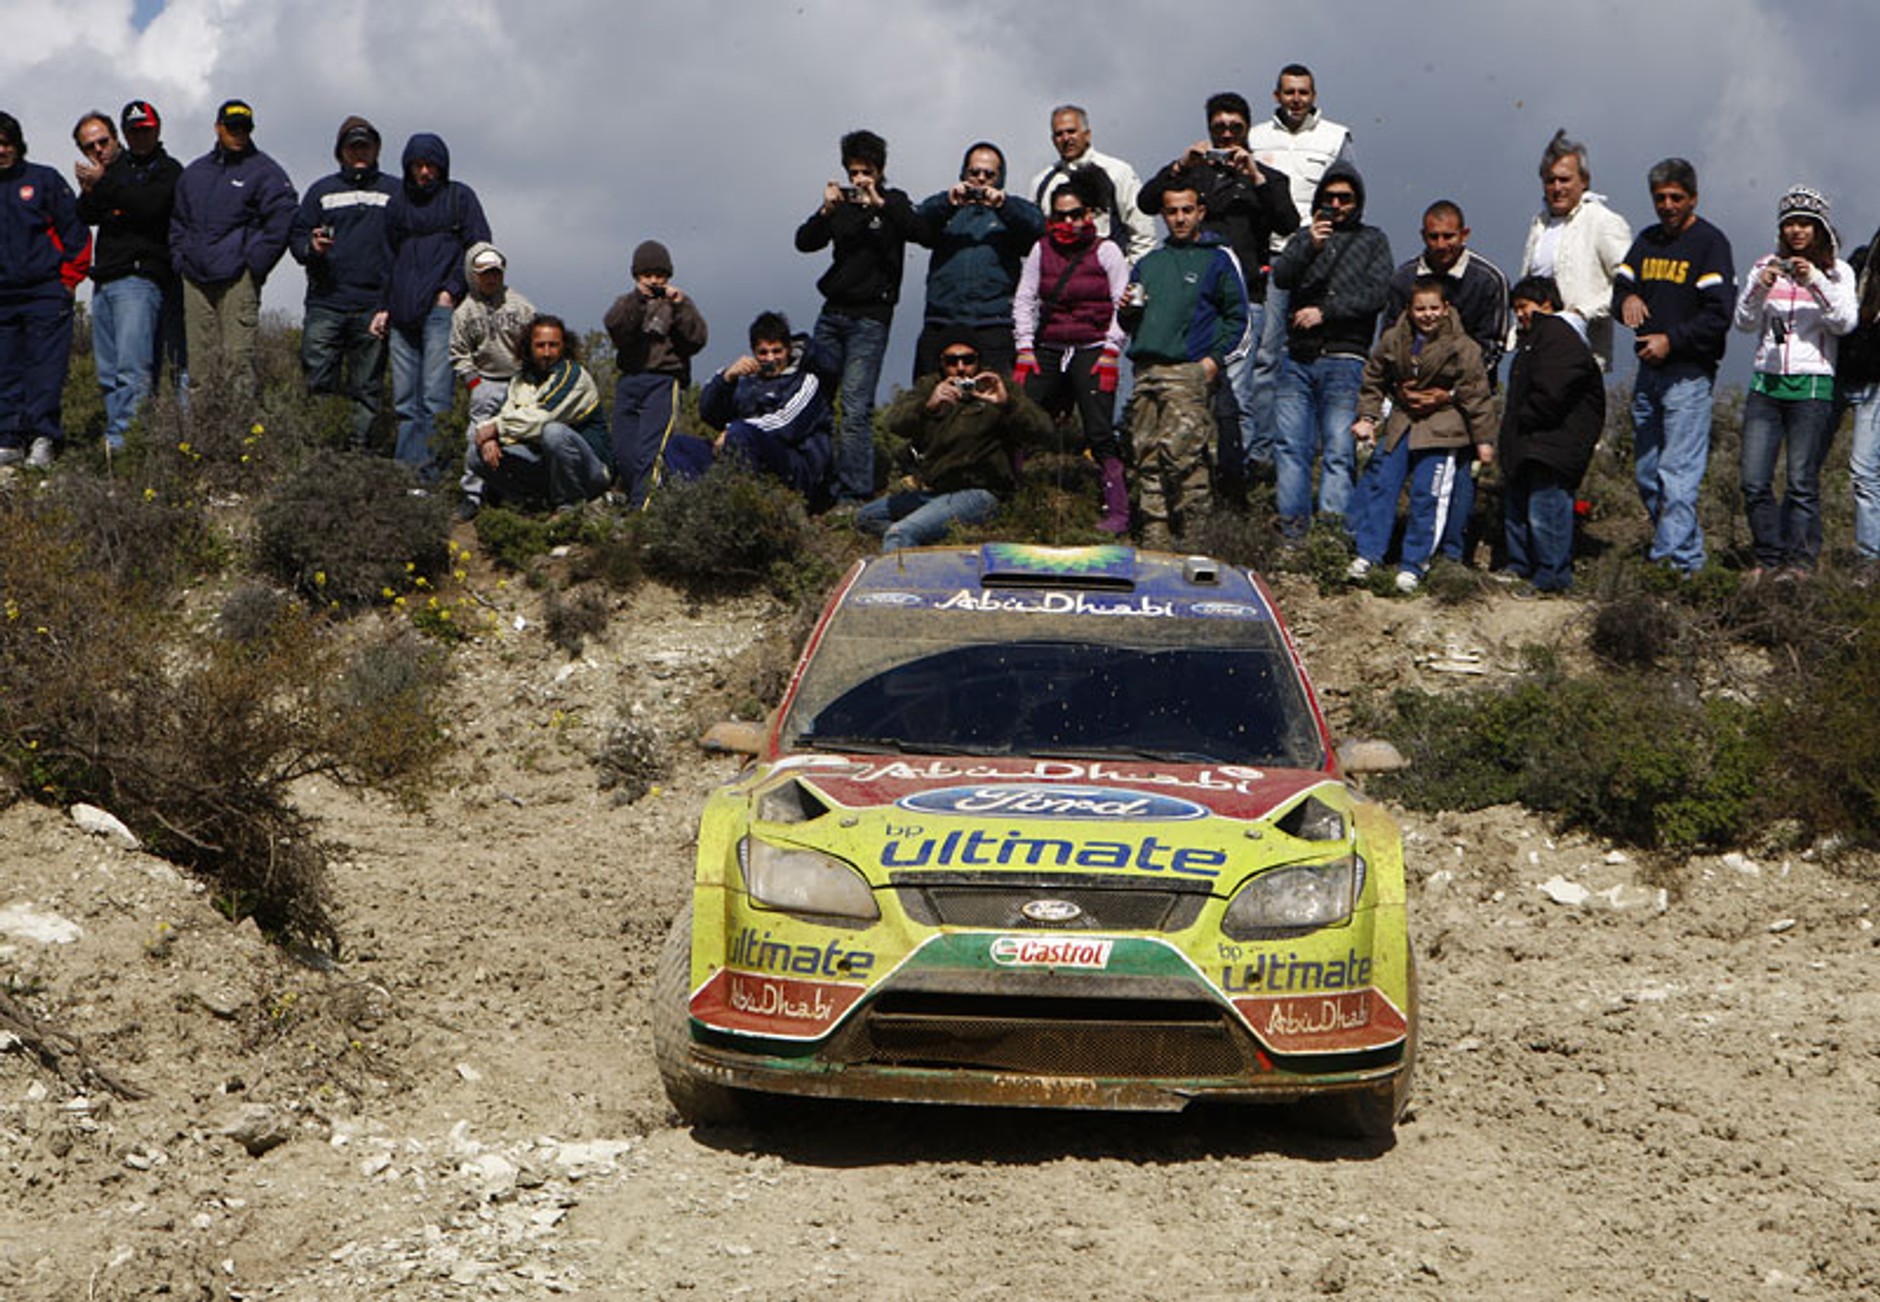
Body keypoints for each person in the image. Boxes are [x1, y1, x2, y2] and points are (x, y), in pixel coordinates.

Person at [1139, 91, 1299, 486]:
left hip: (1244, 297)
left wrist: (1256, 177)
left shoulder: (1266, 177)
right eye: (1219, 127)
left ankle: (1235, 483)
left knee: (1236, 397)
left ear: (1247, 129)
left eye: (1235, 127)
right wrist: (1181, 164)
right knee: (1183, 393)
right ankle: (1184, 477)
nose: (1226, 134)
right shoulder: (1192, 176)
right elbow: (1146, 202)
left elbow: (1288, 222)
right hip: (1190, 299)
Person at [1611, 159, 1736, 578]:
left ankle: (1667, 570)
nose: (1667, 205)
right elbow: (1622, 288)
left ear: (1692, 198)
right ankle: (1691, 561)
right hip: (1648, 374)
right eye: (1660, 198)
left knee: (1677, 473)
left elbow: (1719, 314)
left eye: (1675, 198)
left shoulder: (1709, 244)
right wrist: (1625, 299)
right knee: (1648, 473)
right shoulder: (1647, 242)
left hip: (1688, 375)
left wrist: (1672, 340)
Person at [1732, 186, 1858, 579]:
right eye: (1790, 224)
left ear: (1819, 228)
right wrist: (1761, 285)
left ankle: (1800, 563)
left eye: (1805, 223)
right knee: (1753, 479)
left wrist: (1815, 280)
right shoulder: (1764, 265)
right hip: (1766, 384)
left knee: (1801, 480)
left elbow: (1844, 322)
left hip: (1813, 386)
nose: (1797, 231)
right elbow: (1744, 321)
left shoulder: (1838, 271)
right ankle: (1768, 557)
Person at [794, 130, 921, 510]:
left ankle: (854, 495)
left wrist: (879, 203)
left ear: (880, 171)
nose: (859, 180)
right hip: (832, 313)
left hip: (871, 317)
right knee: (814, 400)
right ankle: (815, 486)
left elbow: (920, 232)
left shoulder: (894, 203)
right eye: (853, 173)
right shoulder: (843, 207)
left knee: (854, 406)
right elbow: (804, 242)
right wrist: (826, 210)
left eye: (866, 172)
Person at [1118, 184, 1249, 549]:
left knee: (1185, 457)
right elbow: (1128, 322)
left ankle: (1197, 542)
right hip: (1145, 370)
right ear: (1163, 214)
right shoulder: (1148, 264)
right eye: (1172, 211)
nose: (1179, 218)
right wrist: (1126, 310)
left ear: (1200, 212)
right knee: (1146, 455)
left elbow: (1238, 318)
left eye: (1186, 210)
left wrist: (1213, 361)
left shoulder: (1218, 258)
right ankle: (1155, 537)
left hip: (1187, 371)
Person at [1382, 200, 1511, 565]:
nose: (1441, 245)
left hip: (1465, 400)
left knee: (1459, 479)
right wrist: (1403, 388)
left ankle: (1452, 556)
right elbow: (1390, 341)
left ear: (1464, 235)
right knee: (1399, 473)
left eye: (1449, 236)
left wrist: (1449, 391)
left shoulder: (1489, 280)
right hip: (1411, 398)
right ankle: (1396, 550)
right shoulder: (1403, 279)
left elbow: (1494, 346)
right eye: (1434, 236)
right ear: (1423, 235)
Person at [1347, 277, 1496, 593]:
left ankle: (1414, 564)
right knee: (1381, 486)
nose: (1427, 315)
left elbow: (1476, 394)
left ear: (1445, 308)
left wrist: (1484, 440)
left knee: (1428, 497)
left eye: (1433, 308)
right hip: (1402, 424)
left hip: (1444, 430)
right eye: (1420, 309)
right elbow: (1373, 379)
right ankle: (1367, 554)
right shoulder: (1393, 340)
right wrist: (1368, 417)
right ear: (1410, 310)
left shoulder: (1462, 347)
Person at [1270, 162, 1392, 539]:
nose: (1337, 205)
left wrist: (1326, 311)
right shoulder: (1304, 238)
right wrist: (1310, 245)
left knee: (1339, 451)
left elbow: (1378, 293)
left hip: (1345, 357)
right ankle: (1293, 536)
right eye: (1330, 197)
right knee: (1291, 447)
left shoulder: (1373, 240)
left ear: (1358, 202)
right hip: (1298, 358)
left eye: (1345, 198)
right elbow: (1281, 276)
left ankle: (1330, 540)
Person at [1247, 66, 1354, 471]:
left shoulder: (1335, 137)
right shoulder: (1257, 138)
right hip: (1273, 257)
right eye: (1289, 92)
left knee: (1318, 352)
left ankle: (1315, 453)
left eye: (1303, 92)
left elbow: (1351, 190)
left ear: (1314, 95)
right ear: (1276, 95)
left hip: (1319, 257)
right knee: (1267, 354)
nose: (1296, 99)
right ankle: (1262, 452)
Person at [1012, 171, 1131, 533]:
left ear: (1089, 214)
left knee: (1098, 430)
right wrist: (1024, 347)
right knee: (1021, 419)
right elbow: (1025, 297)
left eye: (1075, 214)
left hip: (1093, 346)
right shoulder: (1040, 249)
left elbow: (1122, 305)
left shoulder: (1107, 251)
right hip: (1047, 346)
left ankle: (1117, 511)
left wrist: (1111, 350)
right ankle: (1010, 498)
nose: (1068, 222)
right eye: (1061, 215)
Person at [862, 332, 1053, 550]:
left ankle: (903, 572)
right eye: (952, 361)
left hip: (981, 494)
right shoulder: (929, 387)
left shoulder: (996, 387)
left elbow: (1043, 432)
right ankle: (929, 545)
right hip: (936, 493)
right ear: (942, 364)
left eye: (968, 360)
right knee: (867, 517)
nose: (961, 368)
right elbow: (895, 424)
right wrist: (927, 408)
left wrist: (1008, 405)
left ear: (979, 361)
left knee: (899, 533)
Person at [372, 132, 490, 483]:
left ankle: (432, 479)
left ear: (442, 166)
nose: (424, 172)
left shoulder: (460, 198)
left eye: (430, 165)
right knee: (406, 403)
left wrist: (450, 292)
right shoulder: (397, 203)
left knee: (436, 399)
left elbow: (479, 249)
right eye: (417, 165)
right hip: (401, 313)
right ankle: (404, 479)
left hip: (441, 312)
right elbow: (386, 258)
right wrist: (383, 307)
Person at [169, 99, 295, 403]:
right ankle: (199, 443)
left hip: (237, 279)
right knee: (199, 368)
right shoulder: (195, 172)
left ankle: (240, 444)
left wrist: (254, 265)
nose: (238, 133)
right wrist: (180, 259)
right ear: (218, 128)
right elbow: (178, 220)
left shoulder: (265, 171)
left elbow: (283, 217)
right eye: (232, 127)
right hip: (195, 278)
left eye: (244, 128)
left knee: (237, 365)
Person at [73, 102, 182, 454]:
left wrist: (105, 186)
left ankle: (127, 444)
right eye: (89, 146)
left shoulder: (166, 169)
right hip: (105, 279)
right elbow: (85, 214)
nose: (98, 150)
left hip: (140, 278)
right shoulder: (110, 175)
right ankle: (117, 441)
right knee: (107, 373)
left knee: (132, 369)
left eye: (103, 141)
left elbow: (149, 206)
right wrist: (93, 188)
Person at [288, 115, 396, 452]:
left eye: (365, 146)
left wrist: (389, 302)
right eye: (353, 147)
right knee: (318, 377)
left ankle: (358, 448)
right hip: (327, 302)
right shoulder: (321, 191)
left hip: (373, 305)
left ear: (377, 148)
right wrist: (312, 247)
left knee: (367, 385)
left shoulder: (396, 191)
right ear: (341, 152)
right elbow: (297, 237)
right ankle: (322, 444)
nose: (359, 152)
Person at [1499, 276, 1605, 595]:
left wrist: (1529, 417)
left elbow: (1556, 387)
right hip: (1533, 442)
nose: (1519, 315)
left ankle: (1552, 576)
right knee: (1521, 506)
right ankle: (1522, 566)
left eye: (1524, 307)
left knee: (1546, 509)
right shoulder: (1534, 340)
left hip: (1552, 442)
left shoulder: (1557, 334)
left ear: (1547, 304)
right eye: (1515, 309)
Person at [663, 311, 835, 502]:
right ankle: (702, 502)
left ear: (788, 349)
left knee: (741, 433)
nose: (770, 358)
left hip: (796, 467)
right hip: (743, 454)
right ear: (754, 352)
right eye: (763, 352)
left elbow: (787, 425)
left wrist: (732, 432)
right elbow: (708, 413)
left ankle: (741, 503)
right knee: (678, 446)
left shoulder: (806, 382)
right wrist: (726, 378)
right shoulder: (747, 383)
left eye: (777, 351)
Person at [0, 111, 90, 469]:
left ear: (17, 144)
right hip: (2, 297)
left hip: (45, 292)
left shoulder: (44, 180)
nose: (0, 150)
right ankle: (8, 437)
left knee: (45, 369)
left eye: (6, 142)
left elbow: (76, 234)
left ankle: (42, 437)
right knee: (5, 368)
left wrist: (68, 280)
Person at [910, 141, 1043, 382]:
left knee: (994, 409)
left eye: (989, 174)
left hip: (993, 324)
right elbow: (915, 224)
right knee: (928, 404)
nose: (981, 179)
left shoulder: (1011, 213)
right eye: (974, 173)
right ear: (964, 174)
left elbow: (1038, 229)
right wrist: (947, 202)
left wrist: (1004, 205)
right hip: (942, 322)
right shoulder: (946, 209)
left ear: (1000, 179)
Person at [467, 315, 611, 511]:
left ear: (564, 346)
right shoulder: (520, 381)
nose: (546, 352)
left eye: (553, 345)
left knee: (554, 432)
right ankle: (530, 504)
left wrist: (496, 429)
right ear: (529, 347)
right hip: (546, 466)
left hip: (589, 471)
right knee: (476, 455)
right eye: (540, 345)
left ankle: (569, 508)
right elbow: (505, 415)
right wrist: (490, 438)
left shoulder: (574, 376)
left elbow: (541, 418)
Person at [603, 239, 709, 508]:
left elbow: (697, 338)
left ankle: (642, 510)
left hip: (663, 381)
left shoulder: (678, 303)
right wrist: (639, 301)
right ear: (637, 276)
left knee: (652, 449)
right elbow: (615, 327)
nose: (653, 281)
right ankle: (631, 494)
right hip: (630, 380)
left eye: (659, 275)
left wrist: (680, 306)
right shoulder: (627, 303)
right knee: (623, 449)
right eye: (647, 275)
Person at [1518, 129, 1631, 370]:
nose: (1557, 188)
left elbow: (1628, 283)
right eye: (1550, 181)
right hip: (1536, 353)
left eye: (1565, 179)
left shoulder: (1602, 221)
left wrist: (1582, 312)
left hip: (1581, 356)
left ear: (1584, 180)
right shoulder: (1540, 223)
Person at [1027, 105, 1155, 263]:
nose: (1066, 138)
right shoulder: (1041, 183)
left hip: (1108, 279)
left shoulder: (1118, 172)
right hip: (1060, 280)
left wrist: (1128, 278)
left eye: (1071, 131)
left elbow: (1143, 233)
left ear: (1087, 134)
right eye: (1059, 134)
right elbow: (1035, 239)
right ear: (1053, 140)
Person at [1841, 219, 1880, 578]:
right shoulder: (1860, 263)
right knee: (1804, 466)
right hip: (1842, 373)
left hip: (1874, 385)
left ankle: (1869, 558)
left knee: (1865, 471)